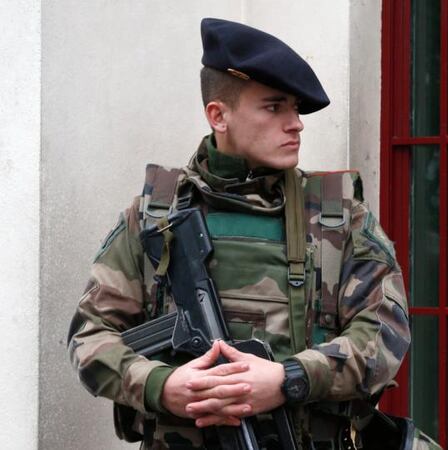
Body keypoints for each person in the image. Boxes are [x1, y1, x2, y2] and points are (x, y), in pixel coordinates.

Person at [68, 18, 411, 450]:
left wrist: (289, 378)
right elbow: (89, 334)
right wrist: (161, 384)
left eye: (295, 108)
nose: (296, 123)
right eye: (274, 107)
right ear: (219, 116)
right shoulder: (156, 216)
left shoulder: (338, 218)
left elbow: (386, 333)